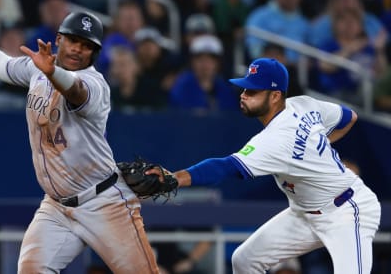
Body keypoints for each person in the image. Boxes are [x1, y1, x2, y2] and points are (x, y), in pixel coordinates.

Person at [0, 0, 160, 273]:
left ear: (94, 53)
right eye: (72, 40)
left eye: (86, 46)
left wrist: (52, 73)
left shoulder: (95, 85)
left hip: (103, 202)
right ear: (59, 39)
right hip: (56, 207)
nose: (76, 49)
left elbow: (75, 89)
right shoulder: (39, 69)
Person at [150, 57, 382, 273]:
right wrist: (316, 145)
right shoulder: (304, 105)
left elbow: (226, 167)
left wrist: (176, 178)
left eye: (252, 90)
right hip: (304, 213)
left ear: (274, 96)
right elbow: (348, 117)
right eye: (244, 88)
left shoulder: (275, 140)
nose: (243, 94)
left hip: (347, 211)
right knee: (245, 260)